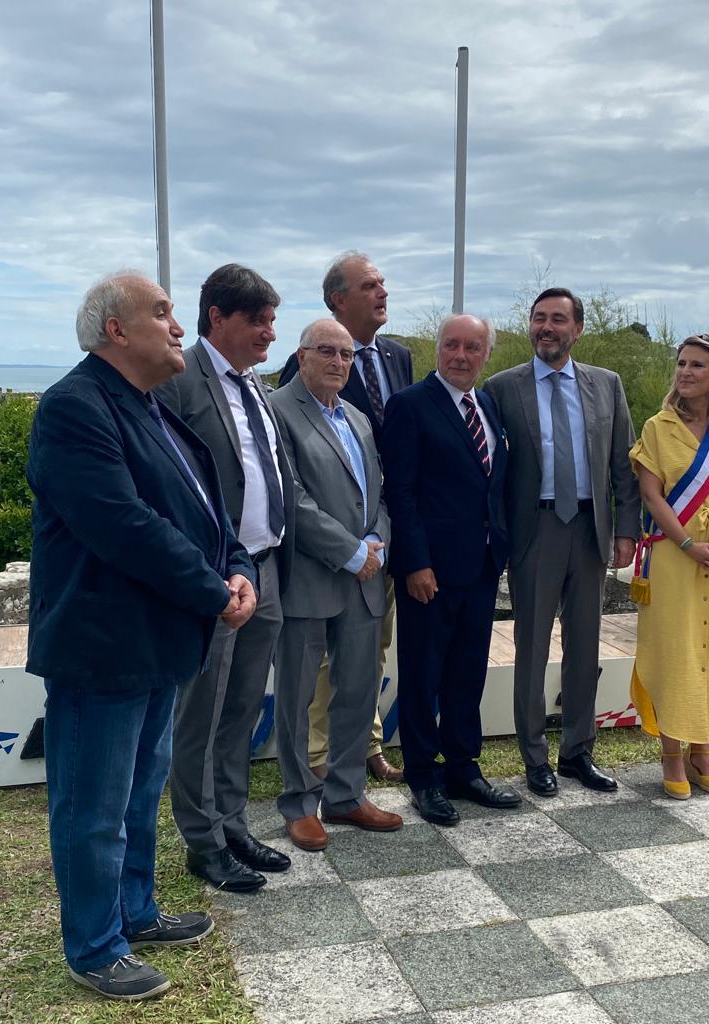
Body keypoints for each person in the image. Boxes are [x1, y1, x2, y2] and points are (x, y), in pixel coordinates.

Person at [25, 272, 257, 1000]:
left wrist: (240, 564)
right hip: (103, 646)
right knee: (91, 806)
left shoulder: (150, 408)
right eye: (161, 313)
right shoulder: (73, 407)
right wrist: (213, 589)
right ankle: (94, 947)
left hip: (156, 641)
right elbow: (122, 525)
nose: (178, 325)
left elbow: (207, 511)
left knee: (135, 795)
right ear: (116, 330)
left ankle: (134, 913)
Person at [155, 264, 293, 891]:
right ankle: (202, 840)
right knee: (201, 717)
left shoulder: (254, 385)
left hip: (263, 571)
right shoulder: (179, 381)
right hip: (215, 582)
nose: (269, 332)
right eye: (256, 320)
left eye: (270, 319)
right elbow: (163, 483)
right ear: (216, 317)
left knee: (240, 710)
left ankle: (233, 822)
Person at [484, 288, 640, 797]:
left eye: (557, 319)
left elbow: (623, 465)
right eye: (538, 319)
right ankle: (534, 757)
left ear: (577, 329)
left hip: (591, 530)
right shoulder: (502, 387)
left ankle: (577, 752)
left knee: (585, 643)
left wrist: (625, 529)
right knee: (530, 645)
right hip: (536, 530)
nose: (546, 328)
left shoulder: (607, 385)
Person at [380, 314, 519, 826]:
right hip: (430, 571)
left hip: (481, 565)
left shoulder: (487, 405)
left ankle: (463, 766)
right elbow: (402, 491)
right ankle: (422, 774)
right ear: (437, 349)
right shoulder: (410, 406)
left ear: (486, 354)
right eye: (451, 345)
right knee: (423, 673)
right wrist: (415, 561)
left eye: (473, 347)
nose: (460, 355)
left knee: (467, 671)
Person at [269, 319, 403, 851]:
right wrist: (350, 553)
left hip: (365, 578)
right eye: (327, 351)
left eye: (347, 355)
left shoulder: (358, 419)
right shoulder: (277, 411)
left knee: (357, 690)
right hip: (310, 577)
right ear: (301, 356)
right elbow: (290, 497)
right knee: (299, 696)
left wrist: (377, 541)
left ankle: (346, 795)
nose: (339, 363)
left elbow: (379, 493)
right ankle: (300, 802)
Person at [280, 252, 413, 782]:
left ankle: (366, 745)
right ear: (338, 299)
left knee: (370, 650)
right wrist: (348, 546)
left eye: (383, 283)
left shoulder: (398, 358)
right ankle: (317, 755)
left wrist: (379, 537)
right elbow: (294, 479)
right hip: (327, 549)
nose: (382, 292)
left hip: (381, 534)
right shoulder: (302, 374)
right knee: (323, 663)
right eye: (369, 286)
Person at [630, 333, 709, 799]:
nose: (684, 371)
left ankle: (703, 748)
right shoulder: (657, 427)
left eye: (697, 366)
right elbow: (651, 494)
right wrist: (688, 543)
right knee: (676, 646)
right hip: (674, 552)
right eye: (681, 363)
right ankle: (670, 751)